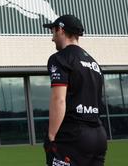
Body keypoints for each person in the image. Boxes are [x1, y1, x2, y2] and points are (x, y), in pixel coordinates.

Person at [43, 14, 107, 166]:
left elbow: (59, 99)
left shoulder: (60, 58)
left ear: (61, 30)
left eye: (53, 32)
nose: (52, 38)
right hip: (98, 136)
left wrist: (51, 137)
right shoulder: (94, 63)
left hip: (73, 137)